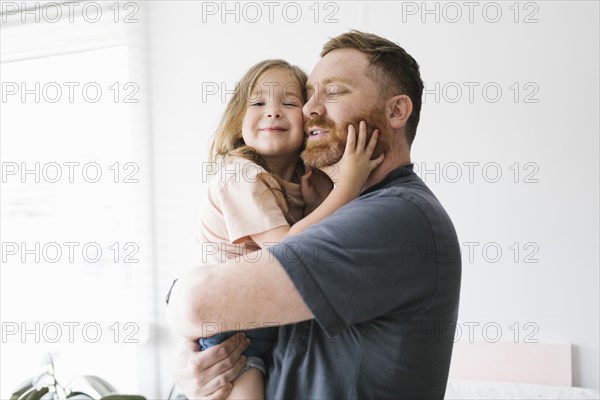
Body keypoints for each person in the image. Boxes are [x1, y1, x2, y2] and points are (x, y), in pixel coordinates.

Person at [167, 30, 461, 399]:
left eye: (334, 92)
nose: (309, 109)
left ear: (397, 110)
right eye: (309, 95)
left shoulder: (395, 218)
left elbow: (194, 304)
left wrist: (185, 301)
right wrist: (192, 360)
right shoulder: (340, 209)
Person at [171, 58, 384, 400]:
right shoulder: (239, 175)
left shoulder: (297, 183)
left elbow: (316, 239)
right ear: (239, 122)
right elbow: (286, 252)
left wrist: (318, 202)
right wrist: (348, 186)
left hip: (266, 323)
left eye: (289, 103)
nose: (273, 111)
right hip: (232, 328)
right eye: (258, 103)